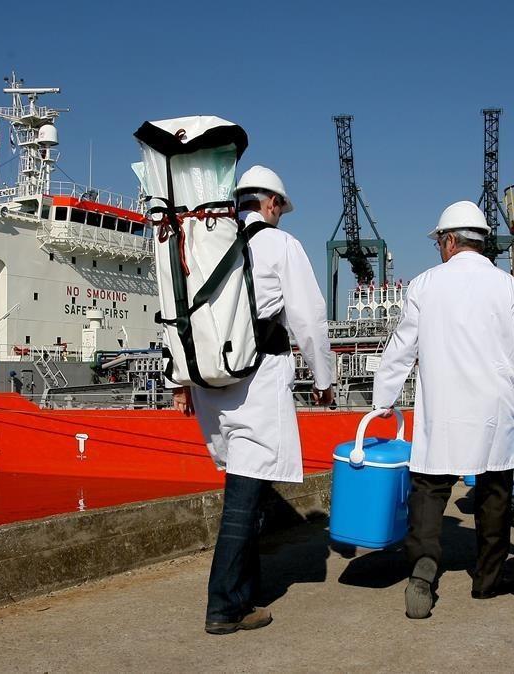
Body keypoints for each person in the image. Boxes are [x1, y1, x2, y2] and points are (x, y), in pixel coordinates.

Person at [372, 201, 514, 617]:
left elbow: (401, 348)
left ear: (450, 240)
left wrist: (384, 399)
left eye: (440, 242)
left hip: (440, 408)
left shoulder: (424, 285)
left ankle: (423, 571)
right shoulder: (509, 287)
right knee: (494, 492)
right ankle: (487, 580)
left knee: (429, 489)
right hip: (494, 410)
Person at [172, 165, 335, 635]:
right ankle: (224, 605)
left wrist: (181, 379)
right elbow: (308, 317)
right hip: (257, 381)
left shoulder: (206, 241)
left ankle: (246, 590)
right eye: (281, 207)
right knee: (245, 492)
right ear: (271, 203)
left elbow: (181, 312)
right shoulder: (281, 245)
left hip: (212, 383)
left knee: (251, 485)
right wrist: (322, 376)